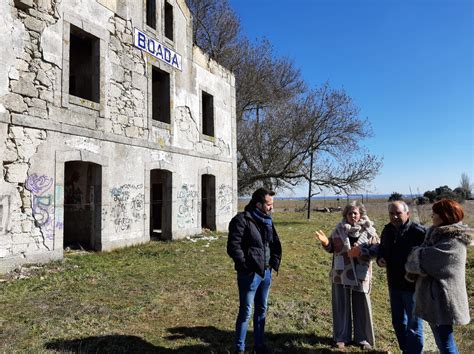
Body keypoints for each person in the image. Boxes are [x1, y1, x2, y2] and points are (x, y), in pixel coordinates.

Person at [405, 199, 470, 354]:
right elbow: (423, 255)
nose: (432, 215)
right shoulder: (439, 235)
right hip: (435, 300)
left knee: (445, 343)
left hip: (443, 301)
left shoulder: (454, 240)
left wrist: (415, 253)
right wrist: (418, 253)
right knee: (442, 341)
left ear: (444, 215)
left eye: (435, 212)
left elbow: (426, 260)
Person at [314, 201, 379, 350]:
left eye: (355, 213)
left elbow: (377, 249)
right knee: (341, 304)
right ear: (346, 215)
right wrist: (325, 243)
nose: (353, 216)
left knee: (362, 304)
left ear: (361, 214)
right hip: (341, 272)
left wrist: (362, 252)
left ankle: (363, 339)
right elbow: (331, 248)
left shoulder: (369, 231)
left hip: (362, 273)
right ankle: (341, 337)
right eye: (350, 213)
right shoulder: (339, 230)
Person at [227, 188, 282, 354]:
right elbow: (233, 247)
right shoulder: (241, 220)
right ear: (258, 204)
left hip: (266, 273)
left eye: (272, 204)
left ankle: (259, 346)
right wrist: (246, 266)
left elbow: (271, 244)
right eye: (269, 204)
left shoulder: (267, 220)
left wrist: (272, 263)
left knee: (261, 309)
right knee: (246, 311)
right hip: (249, 275)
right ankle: (240, 348)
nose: (272, 207)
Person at [377, 201, 425, 353]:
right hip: (394, 285)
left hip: (413, 287)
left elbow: (427, 257)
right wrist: (380, 258)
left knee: (414, 326)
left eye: (398, 213)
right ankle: (406, 350)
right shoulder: (387, 230)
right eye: (392, 213)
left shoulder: (418, 232)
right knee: (398, 323)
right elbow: (382, 249)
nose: (395, 216)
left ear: (408, 214)